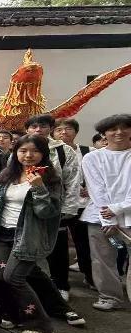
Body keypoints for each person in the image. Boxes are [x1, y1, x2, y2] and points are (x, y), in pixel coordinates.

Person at [0, 135, 82, 333]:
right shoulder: (6, 175)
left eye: (34, 151)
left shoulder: (50, 180)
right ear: (15, 153)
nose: (28, 155)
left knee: (14, 278)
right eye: (23, 150)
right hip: (0, 235)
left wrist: (39, 188)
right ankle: (16, 313)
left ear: (43, 154)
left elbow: (48, 213)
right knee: (3, 275)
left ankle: (41, 326)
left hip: (28, 237)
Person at [25, 114, 83, 302]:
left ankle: (61, 285)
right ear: (27, 130)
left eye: (42, 126)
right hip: (26, 206)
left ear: (50, 128)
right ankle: (30, 285)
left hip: (55, 206)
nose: (38, 130)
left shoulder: (63, 150)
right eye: (33, 126)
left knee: (57, 247)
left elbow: (73, 181)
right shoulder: (21, 148)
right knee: (27, 246)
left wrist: (69, 208)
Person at [80, 113, 131, 311]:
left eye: (124, 127)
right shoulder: (92, 157)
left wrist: (116, 209)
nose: (119, 132)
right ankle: (109, 296)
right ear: (103, 134)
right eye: (113, 129)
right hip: (100, 218)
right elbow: (96, 189)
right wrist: (108, 219)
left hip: (127, 215)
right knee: (102, 258)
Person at [52, 117, 95, 292]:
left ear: (76, 132)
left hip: (84, 205)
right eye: (59, 129)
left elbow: (99, 176)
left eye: (68, 129)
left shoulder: (89, 151)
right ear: (53, 133)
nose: (63, 132)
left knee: (85, 244)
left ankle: (90, 277)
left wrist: (91, 189)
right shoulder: (51, 152)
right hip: (60, 205)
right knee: (59, 246)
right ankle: (61, 283)